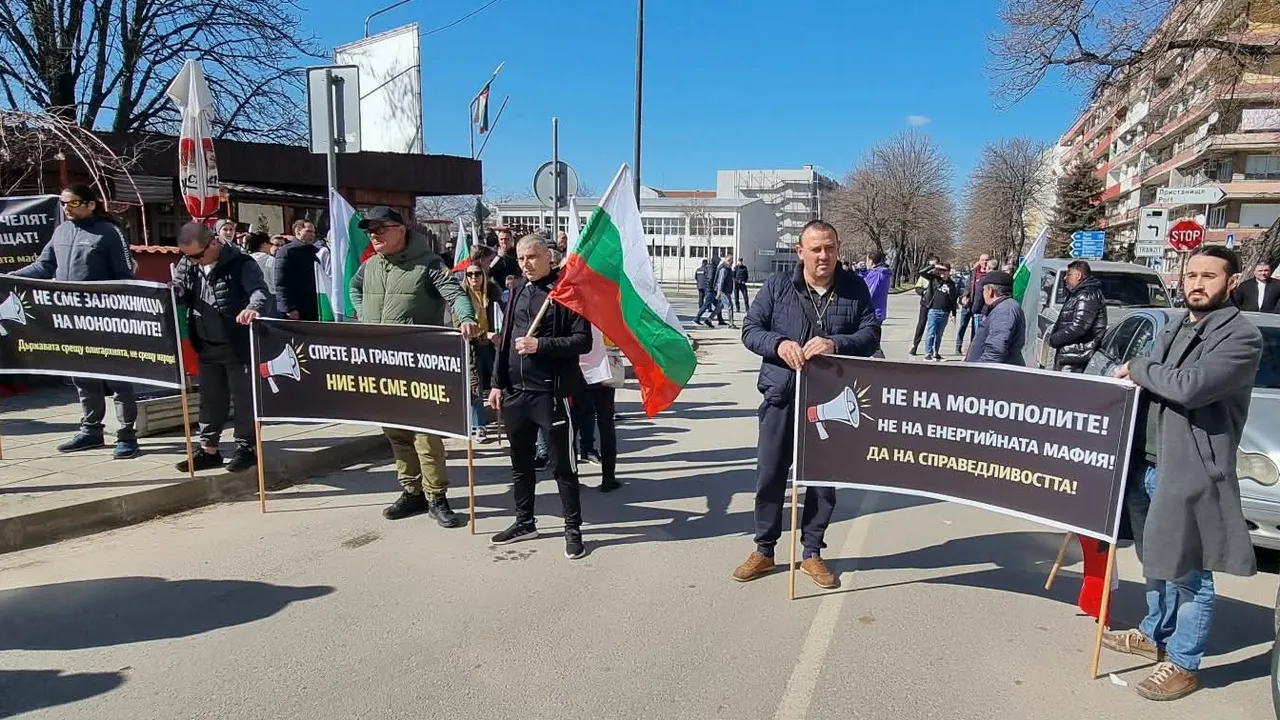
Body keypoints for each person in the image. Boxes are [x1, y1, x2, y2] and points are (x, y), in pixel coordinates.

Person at [1103, 245, 1262, 701]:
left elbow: (1190, 387)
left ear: (1232, 282)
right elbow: (1155, 380)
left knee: (1191, 570)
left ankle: (1184, 661)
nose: (1197, 283)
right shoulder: (1176, 325)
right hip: (1148, 461)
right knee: (1157, 559)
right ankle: (1154, 632)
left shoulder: (1241, 337)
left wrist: (1139, 367)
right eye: (1191, 275)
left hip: (1190, 468)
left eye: (1209, 276)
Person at [737, 220, 880, 590]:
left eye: (829, 248)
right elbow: (750, 330)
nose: (823, 256)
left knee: (822, 480)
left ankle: (812, 551)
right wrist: (778, 344)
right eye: (815, 249)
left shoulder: (854, 287)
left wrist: (836, 343)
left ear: (838, 248)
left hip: (831, 400)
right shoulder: (777, 285)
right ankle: (764, 549)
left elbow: (870, 334)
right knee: (770, 475)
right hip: (781, 397)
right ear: (800, 252)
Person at [349, 207, 478, 526]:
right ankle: (412, 492)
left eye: (380, 228)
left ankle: (436, 497)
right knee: (396, 432)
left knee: (425, 435)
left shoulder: (429, 264)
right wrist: (364, 314)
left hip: (419, 367)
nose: (374, 235)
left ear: (401, 229)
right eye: (370, 231)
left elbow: (456, 294)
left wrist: (466, 318)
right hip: (382, 366)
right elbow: (353, 288)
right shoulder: (369, 266)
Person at [11, 183, 140, 458]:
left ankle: (127, 434)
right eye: (63, 203)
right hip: (71, 321)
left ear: (91, 204)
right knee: (83, 378)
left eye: (73, 203)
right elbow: (43, 267)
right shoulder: (61, 231)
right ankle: (91, 430)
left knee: (117, 380)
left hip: (105, 321)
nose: (67, 208)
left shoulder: (109, 232)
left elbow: (125, 277)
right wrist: (8, 278)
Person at [487, 235, 592, 559]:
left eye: (532, 257)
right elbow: (506, 338)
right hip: (516, 394)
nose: (526, 264)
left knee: (563, 468)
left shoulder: (567, 291)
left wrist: (540, 345)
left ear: (549, 257)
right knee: (521, 465)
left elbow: (583, 341)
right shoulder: (518, 288)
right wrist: (497, 383)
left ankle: (573, 529)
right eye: (521, 259)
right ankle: (525, 521)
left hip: (551, 395)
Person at [171, 222, 270, 472]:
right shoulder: (189, 263)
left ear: (213, 243)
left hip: (237, 343)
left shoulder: (242, 262)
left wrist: (253, 308)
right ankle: (208, 450)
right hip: (205, 342)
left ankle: (247, 448)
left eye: (196, 256)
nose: (192, 261)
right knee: (211, 399)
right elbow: (179, 287)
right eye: (187, 257)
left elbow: (259, 292)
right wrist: (175, 292)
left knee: (244, 399)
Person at [460, 260, 503, 443]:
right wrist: (485, 334)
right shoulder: (462, 297)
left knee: (498, 382)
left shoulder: (492, 295)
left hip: (491, 347)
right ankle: (479, 427)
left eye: (477, 273)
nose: (474, 277)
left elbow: (502, 317)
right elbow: (460, 327)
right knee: (474, 387)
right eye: (469, 274)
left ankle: (504, 420)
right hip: (472, 347)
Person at [572, 335, 621, 493]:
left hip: (578, 370)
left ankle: (571, 478)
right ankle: (609, 477)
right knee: (606, 426)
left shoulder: (575, 319)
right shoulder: (608, 319)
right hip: (603, 370)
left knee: (572, 428)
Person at [1048, 260, 1106, 372]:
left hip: (1077, 357)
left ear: (1078, 276)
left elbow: (1079, 327)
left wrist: (1055, 339)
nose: (1065, 278)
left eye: (1069, 274)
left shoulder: (1087, 295)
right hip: (1070, 354)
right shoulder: (1077, 294)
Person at [964, 270, 1025, 365]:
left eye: (984, 290)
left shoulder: (1005, 310)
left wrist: (980, 370)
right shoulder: (1003, 307)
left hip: (993, 372)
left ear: (990, 291)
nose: (983, 293)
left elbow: (996, 349)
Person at [273, 219, 320, 321]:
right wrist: (289, 308)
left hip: (314, 307)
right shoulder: (286, 251)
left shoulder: (315, 252)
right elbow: (281, 282)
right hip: (297, 308)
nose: (312, 235)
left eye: (314, 232)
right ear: (298, 231)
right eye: (309, 231)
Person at [919, 262, 958, 361]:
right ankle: (928, 354)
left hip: (945, 312)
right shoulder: (934, 279)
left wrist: (953, 314)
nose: (942, 273)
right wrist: (934, 266)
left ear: (949, 272)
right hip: (933, 310)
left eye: (945, 271)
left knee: (939, 334)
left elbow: (953, 300)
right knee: (931, 332)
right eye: (941, 270)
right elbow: (921, 272)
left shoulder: (951, 284)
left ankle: (935, 353)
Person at [909, 255, 940, 356]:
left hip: (936, 304)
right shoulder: (924, 275)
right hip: (926, 303)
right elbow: (917, 287)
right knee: (921, 325)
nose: (933, 267)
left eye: (935, 264)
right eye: (931, 265)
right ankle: (915, 345)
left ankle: (933, 350)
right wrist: (923, 292)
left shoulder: (940, 275)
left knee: (934, 328)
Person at [862, 251, 891, 325]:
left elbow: (868, 293)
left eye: (867, 261)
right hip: (879, 311)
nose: (866, 263)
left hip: (871, 312)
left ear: (871, 261)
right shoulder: (883, 273)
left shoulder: (875, 274)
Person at [245, 232, 277, 299]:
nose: (271, 246)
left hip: (249, 296)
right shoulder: (270, 260)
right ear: (264, 244)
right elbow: (275, 281)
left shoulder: (245, 260)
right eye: (270, 244)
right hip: (269, 296)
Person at [715, 254, 737, 329]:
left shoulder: (727, 268)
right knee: (730, 306)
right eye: (731, 261)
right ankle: (731, 323)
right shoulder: (724, 269)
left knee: (720, 306)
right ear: (728, 260)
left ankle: (709, 320)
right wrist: (719, 292)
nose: (732, 263)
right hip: (724, 291)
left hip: (725, 290)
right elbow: (721, 281)